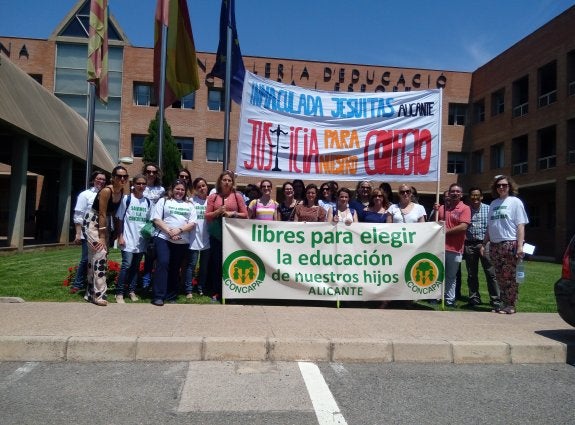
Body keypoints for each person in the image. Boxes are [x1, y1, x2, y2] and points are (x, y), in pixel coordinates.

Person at [481, 175, 529, 315]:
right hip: (495, 245)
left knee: (510, 276)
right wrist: (484, 244)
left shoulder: (515, 202)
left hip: (510, 243)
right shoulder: (494, 204)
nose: (501, 187)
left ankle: (511, 305)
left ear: (510, 187)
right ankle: (503, 303)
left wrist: (520, 246)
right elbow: (490, 226)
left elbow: (520, 225)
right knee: (500, 276)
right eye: (498, 185)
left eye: (504, 185)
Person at [82, 166, 127, 306]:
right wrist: (102, 236)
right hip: (93, 221)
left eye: (125, 176)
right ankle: (99, 294)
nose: (122, 179)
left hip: (105, 222)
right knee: (100, 254)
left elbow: (113, 213)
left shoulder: (121, 192)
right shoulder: (107, 191)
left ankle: (89, 293)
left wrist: (114, 232)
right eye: (119, 176)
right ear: (112, 177)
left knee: (95, 257)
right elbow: (101, 213)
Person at [150, 180, 197, 306]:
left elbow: (192, 223)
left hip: (182, 241)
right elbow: (157, 219)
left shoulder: (190, 204)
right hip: (163, 237)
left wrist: (179, 230)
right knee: (163, 263)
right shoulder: (164, 201)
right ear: (172, 189)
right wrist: (170, 231)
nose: (179, 192)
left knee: (175, 268)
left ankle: (171, 295)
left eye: (182, 189)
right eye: (177, 189)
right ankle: (159, 296)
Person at [206, 171, 248, 302]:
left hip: (232, 235)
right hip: (217, 235)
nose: (227, 182)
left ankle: (231, 292)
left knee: (231, 263)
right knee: (217, 264)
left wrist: (232, 213)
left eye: (229, 180)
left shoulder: (237, 196)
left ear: (232, 182)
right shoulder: (213, 197)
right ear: (220, 181)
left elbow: (245, 214)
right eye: (224, 180)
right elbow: (207, 216)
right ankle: (216, 292)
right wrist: (217, 212)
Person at [114, 174, 152, 303]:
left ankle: (131, 291)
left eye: (143, 184)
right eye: (138, 184)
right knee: (127, 265)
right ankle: (119, 292)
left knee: (135, 267)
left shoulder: (147, 202)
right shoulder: (127, 199)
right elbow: (119, 219)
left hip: (141, 241)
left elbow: (150, 221)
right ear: (133, 185)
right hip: (127, 239)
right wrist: (120, 236)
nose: (141, 186)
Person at [69, 170, 107, 294]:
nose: (101, 181)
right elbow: (78, 215)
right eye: (99, 179)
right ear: (93, 180)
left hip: (101, 231)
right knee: (86, 258)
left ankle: (95, 284)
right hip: (87, 230)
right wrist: (78, 233)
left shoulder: (106, 194)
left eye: (103, 180)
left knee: (100, 258)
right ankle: (77, 283)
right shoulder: (85, 195)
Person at [464, 187, 500, 308]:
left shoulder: (489, 209)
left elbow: (493, 226)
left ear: (482, 197)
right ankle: (474, 298)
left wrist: (486, 244)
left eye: (477, 195)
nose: (475, 198)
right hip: (470, 244)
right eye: (473, 196)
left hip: (486, 244)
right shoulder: (466, 210)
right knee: (471, 274)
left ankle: (495, 299)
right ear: (470, 197)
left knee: (490, 272)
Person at [436, 183, 471, 307]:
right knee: (437, 273)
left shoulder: (465, 208)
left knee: (451, 275)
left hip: (455, 248)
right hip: (440, 247)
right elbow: (436, 224)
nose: (455, 193)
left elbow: (463, 226)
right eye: (452, 191)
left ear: (461, 194)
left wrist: (445, 232)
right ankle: (436, 296)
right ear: (449, 194)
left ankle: (449, 299)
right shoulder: (442, 208)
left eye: (457, 191)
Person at [184, 177, 210, 299]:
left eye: (203, 186)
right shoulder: (190, 201)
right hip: (193, 238)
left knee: (204, 266)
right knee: (191, 265)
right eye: (198, 187)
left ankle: (201, 288)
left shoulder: (211, 201)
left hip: (207, 238)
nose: (201, 188)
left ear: (207, 187)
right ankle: (188, 289)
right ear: (195, 189)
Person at [141, 163, 165, 290]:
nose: (151, 174)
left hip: (156, 225)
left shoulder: (161, 190)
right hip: (141, 224)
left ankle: (152, 282)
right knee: (141, 254)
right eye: (148, 171)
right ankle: (143, 282)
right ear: (144, 172)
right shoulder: (140, 187)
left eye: (154, 172)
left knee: (154, 255)